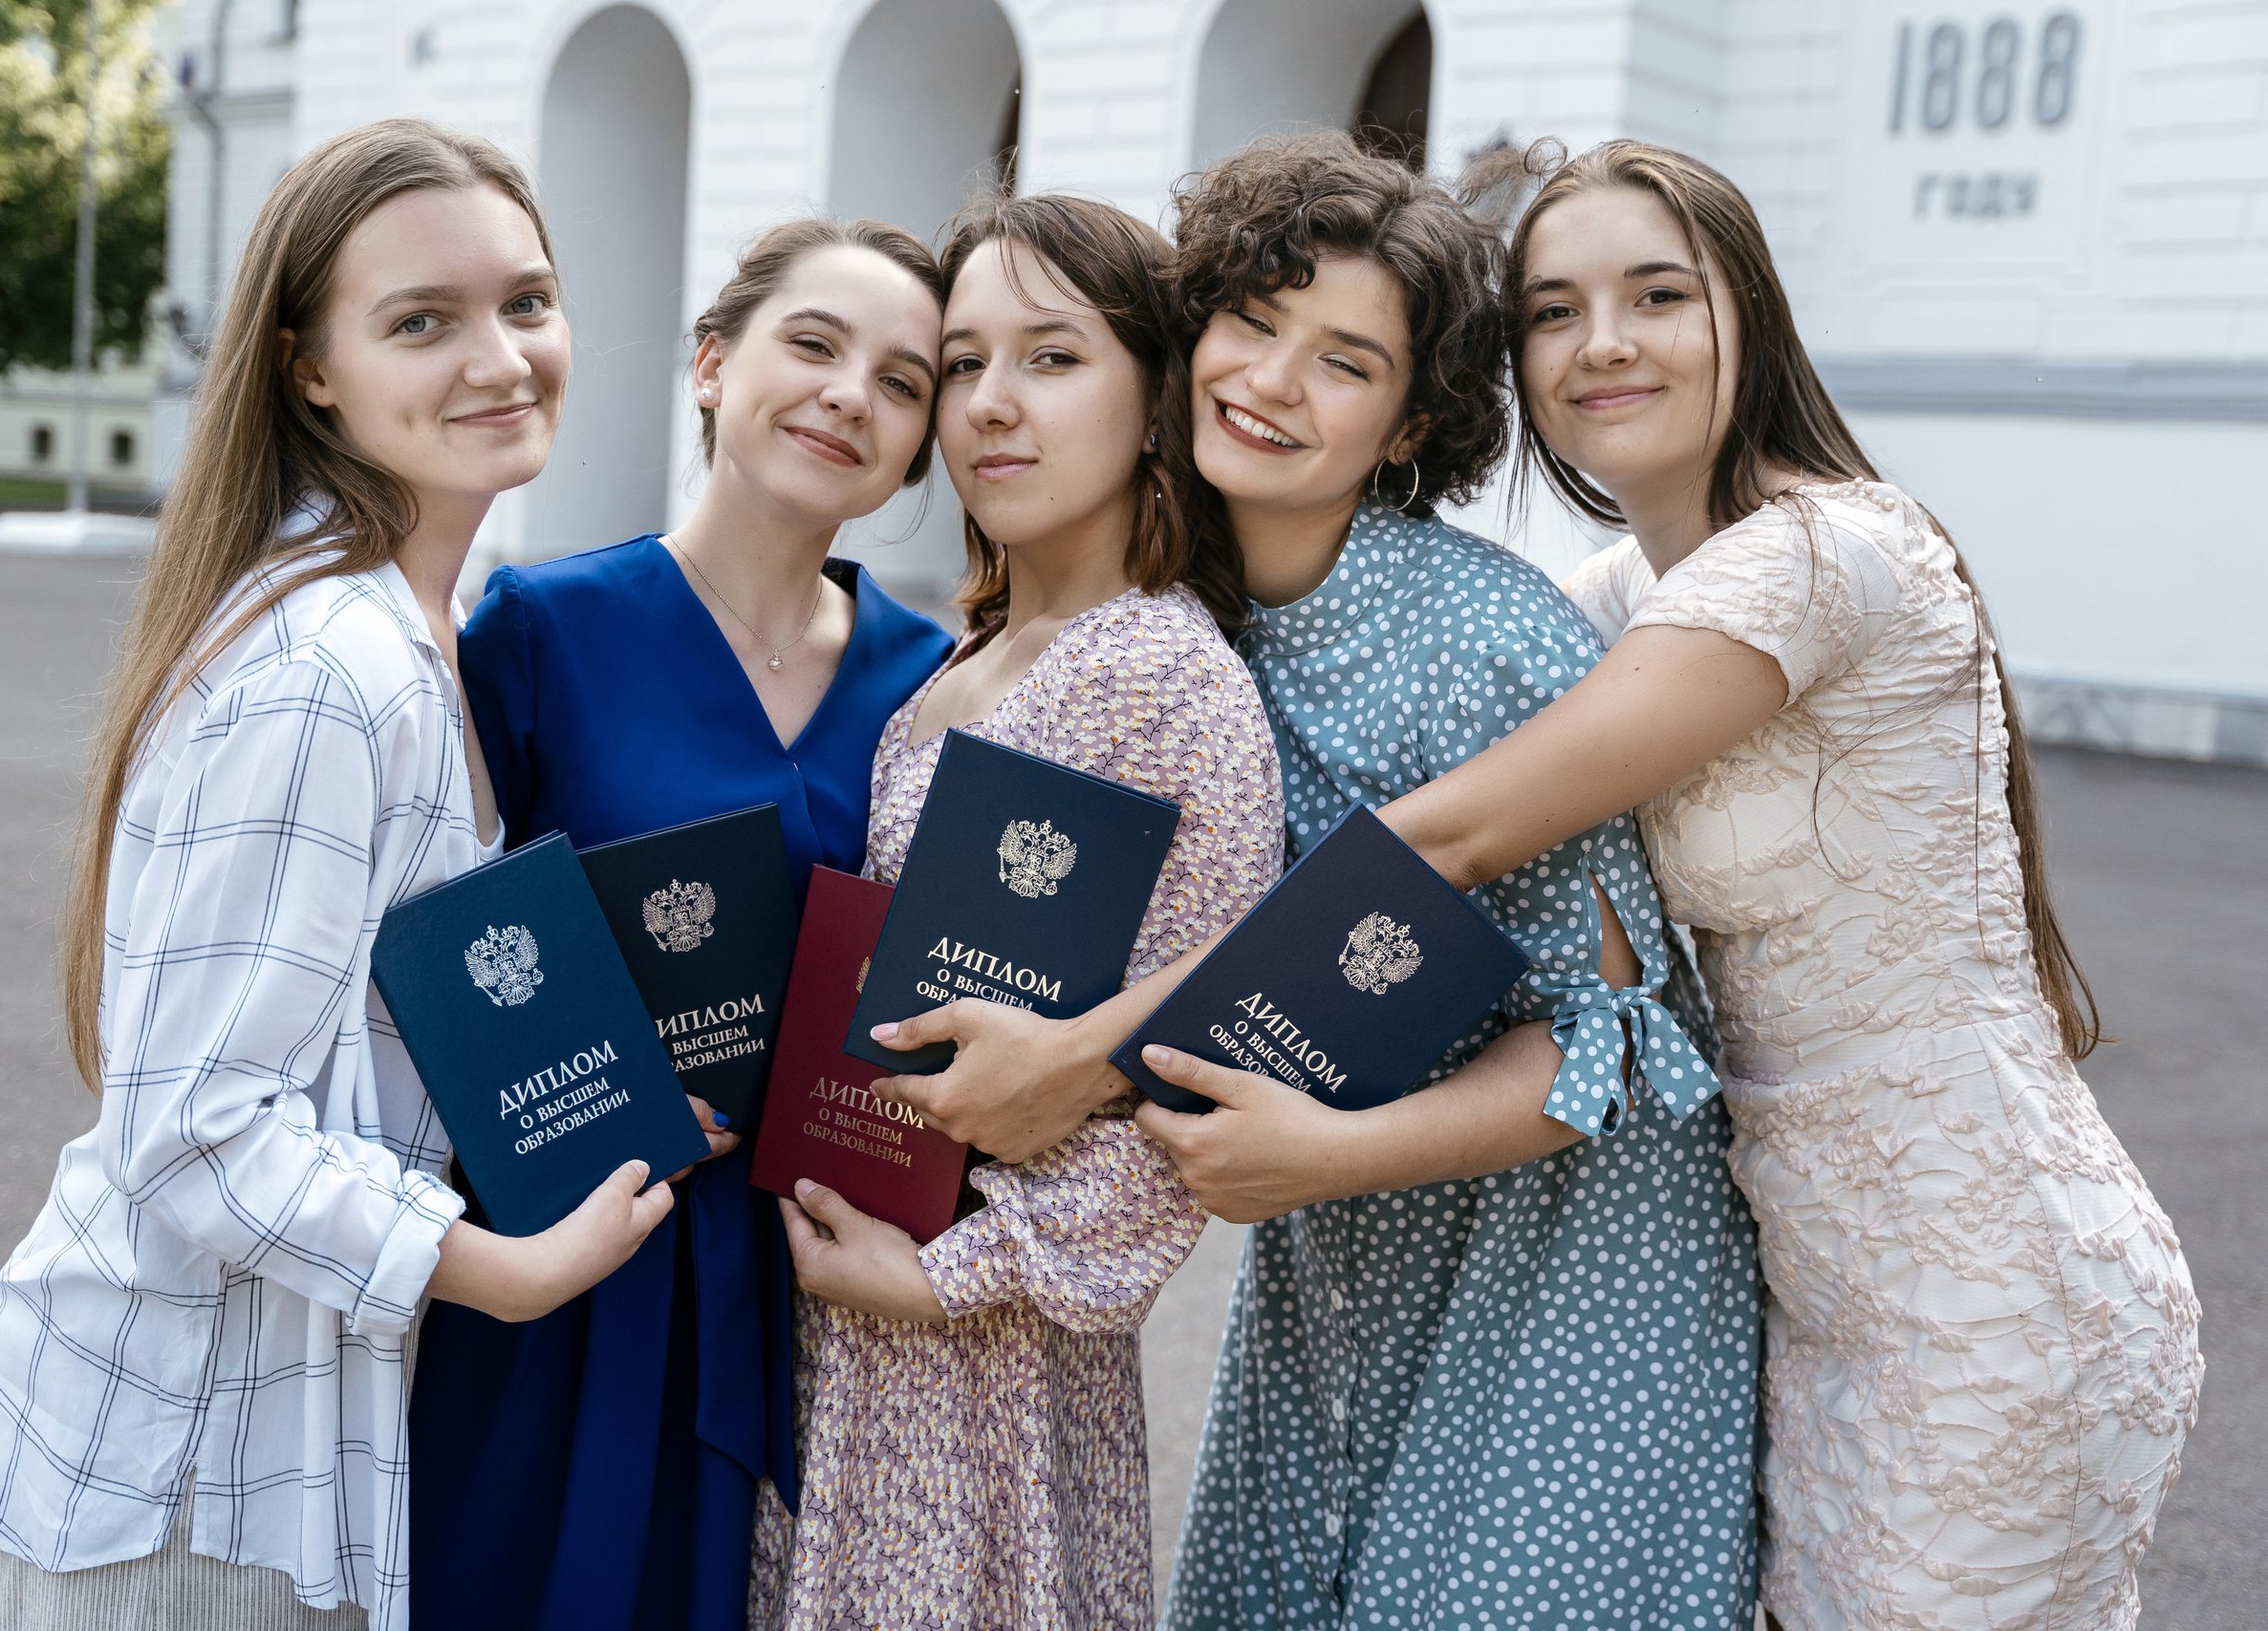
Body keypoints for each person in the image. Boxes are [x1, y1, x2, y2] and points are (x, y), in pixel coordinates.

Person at [867, 134, 1764, 1629]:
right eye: (1254, 322)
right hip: (1332, 1270)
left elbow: (1613, 1038)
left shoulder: (1485, 642)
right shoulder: (1173, 611)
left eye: (1345, 362)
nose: (1273, 383)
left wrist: (1328, 1155)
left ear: (1412, 427)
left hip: (1568, 1287)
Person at [1366, 139, 2200, 1627]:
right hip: (1824, 1299)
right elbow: (1427, 725)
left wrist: (1119, 1051)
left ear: (1747, 313)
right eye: (1552, 311)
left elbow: (1456, 837)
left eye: (1657, 294)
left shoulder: (1826, 554)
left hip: (1987, 1293)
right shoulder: (1631, 598)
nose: (1603, 342)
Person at [0, 118, 724, 1630]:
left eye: (527, 302)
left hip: (263, 1450)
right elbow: (199, 1128)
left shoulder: (426, 622)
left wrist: (598, 1097)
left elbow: (375, 1018)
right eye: (422, 321)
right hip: (181, 1473)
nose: (500, 357)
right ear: (310, 367)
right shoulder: (327, 667)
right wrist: (499, 1268)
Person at [404, 219, 958, 1631]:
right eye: (815, 345)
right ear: (714, 365)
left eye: (901, 382)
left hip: (816, 1278)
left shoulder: (933, 681)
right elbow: (445, 951)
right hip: (574, 1255)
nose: (851, 395)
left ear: (919, 445)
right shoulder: (541, 629)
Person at [745, 193, 1285, 1631]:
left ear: (1156, 399)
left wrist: (954, 1281)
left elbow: (1205, 1059)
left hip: (982, 1366)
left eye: (1051, 359)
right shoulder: (964, 656)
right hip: (849, 1300)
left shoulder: (1164, 676)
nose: (992, 405)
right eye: (965, 363)